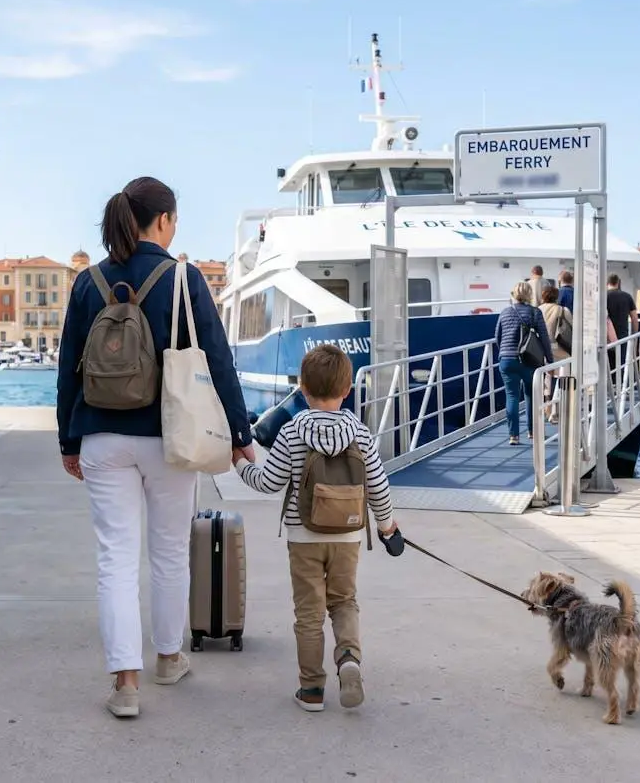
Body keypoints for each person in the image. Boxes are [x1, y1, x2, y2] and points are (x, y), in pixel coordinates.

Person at [56, 176, 255, 719]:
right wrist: (239, 435)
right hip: (172, 437)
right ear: (163, 221)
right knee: (169, 552)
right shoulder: (183, 277)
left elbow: (68, 366)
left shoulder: (88, 282)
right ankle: (169, 658)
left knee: (114, 560)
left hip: (100, 435)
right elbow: (217, 358)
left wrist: (68, 439)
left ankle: (125, 682)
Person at [233, 344, 401, 713]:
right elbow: (378, 486)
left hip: (303, 537)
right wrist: (388, 528)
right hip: (347, 536)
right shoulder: (360, 432)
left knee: (308, 613)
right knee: (344, 602)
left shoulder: (292, 431)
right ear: (347, 390)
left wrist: (240, 463)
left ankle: (311, 690)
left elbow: (267, 482)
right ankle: (349, 659)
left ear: (303, 389)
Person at [494, 281, 554, 445]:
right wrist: (549, 360)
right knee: (531, 396)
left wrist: (505, 353)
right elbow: (544, 338)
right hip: (529, 361)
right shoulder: (535, 312)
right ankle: (533, 432)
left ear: (514, 294)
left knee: (512, 396)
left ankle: (513, 436)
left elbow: (497, 337)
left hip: (507, 361)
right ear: (529, 294)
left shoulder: (505, 312)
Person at [538, 285, 572, 423]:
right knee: (562, 377)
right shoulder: (563, 310)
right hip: (559, 348)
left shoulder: (538, 310)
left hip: (542, 348)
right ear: (556, 296)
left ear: (543, 296)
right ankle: (555, 411)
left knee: (547, 376)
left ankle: (547, 405)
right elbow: (573, 325)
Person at [605, 274, 639, 377]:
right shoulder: (627, 296)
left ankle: (608, 388)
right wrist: (635, 334)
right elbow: (634, 317)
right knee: (620, 365)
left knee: (607, 365)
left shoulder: (604, 296)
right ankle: (619, 388)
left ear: (607, 283)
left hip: (606, 337)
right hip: (622, 336)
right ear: (618, 283)